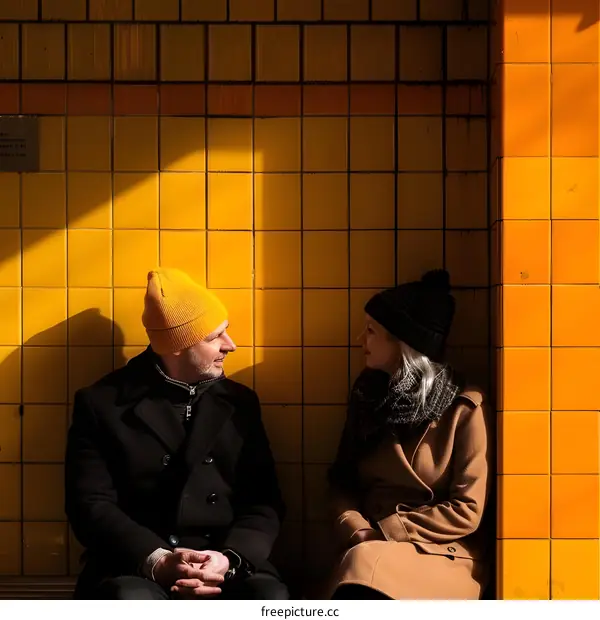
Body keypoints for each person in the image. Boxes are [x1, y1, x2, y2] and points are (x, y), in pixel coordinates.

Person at [65, 268, 289, 600]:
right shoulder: (102, 404)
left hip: (226, 560)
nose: (231, 345)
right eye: (215, 337)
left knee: (269, 601)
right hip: (134, 563)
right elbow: (90, 505)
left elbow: (263, 501)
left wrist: (227, 559)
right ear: (177, 346)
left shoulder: (240, 403)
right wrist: (159, 561)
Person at [326, 269, 492, 600]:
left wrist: (388, 532)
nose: (361, 339)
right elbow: (341, 479)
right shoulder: (367, 397)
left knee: (364, 574)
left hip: (441, 553)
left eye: (371, 331)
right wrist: (356, 528)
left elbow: (467, 509)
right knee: (362, 572)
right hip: (367, 546)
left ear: (404, 344)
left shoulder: (464, 408)